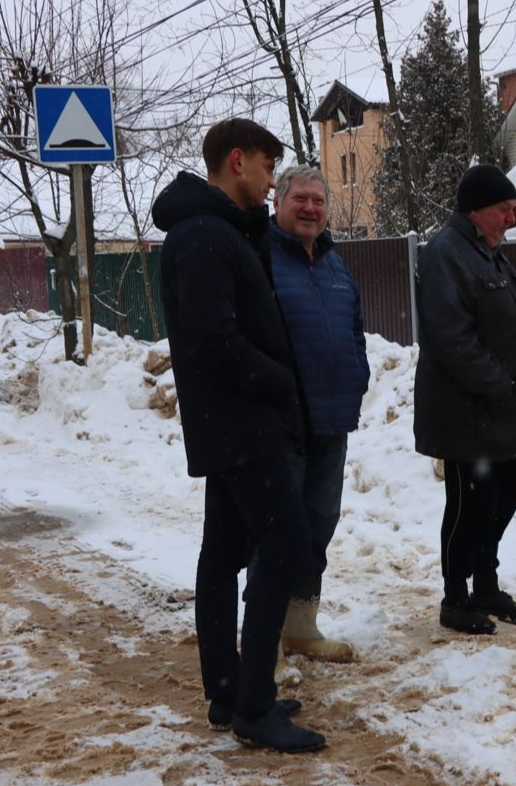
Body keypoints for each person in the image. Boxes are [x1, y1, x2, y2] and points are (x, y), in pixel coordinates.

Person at [153, 119, 326, 752]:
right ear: (236, 161)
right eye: (266, 162)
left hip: (232, 425)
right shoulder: (203, 238)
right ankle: (253, 705)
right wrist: (280, 380)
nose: (272, 175)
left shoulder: (219, 232)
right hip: (242, 425)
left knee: (223, 558)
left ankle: (228, 693)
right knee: (285, 549)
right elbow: (212, 342)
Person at [413, 163, 516, 636]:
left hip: (500, 406)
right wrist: (500, 384)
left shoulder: (487, 253)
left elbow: (503, 322)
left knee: (504, 496)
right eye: (505, 210)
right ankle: (455, 597)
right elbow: (453, 340)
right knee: (469, 504)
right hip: (464, 411)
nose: (512, 219)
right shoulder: (445, 254)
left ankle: (486, 585)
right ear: (477, 210)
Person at [268, 164, 369, 672]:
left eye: (318, 201)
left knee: (318, 525)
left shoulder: (334, 264)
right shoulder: (262, 258)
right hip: (283, 426)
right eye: (300, 199)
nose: (310, 208)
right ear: (278, 203)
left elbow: (354, 328)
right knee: (278, 530)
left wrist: (358, 376)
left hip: (333, 421)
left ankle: (302, 629)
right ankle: (263, 638)